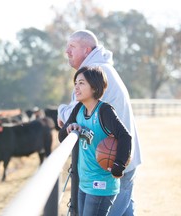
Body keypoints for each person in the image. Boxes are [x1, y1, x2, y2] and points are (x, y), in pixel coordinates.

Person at [58, 30, 142, 215]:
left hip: (112, 165)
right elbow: (71, 122)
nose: (67, 51)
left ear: (87, 50)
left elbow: (70, 113)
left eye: (72, 46)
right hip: (118, 161)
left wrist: (60, 110)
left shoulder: (92, 74)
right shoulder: (103, 69)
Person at [59, 66, 132, 216]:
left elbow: (125, 136)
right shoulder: (79, 109)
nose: (76, 88)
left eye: (81, 83)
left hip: (101, 184)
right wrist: (70, 129)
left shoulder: (104, 111)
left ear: (94, 87)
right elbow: (61, 137)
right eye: (75, 83)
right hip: (84, 182)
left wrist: (119, 165)